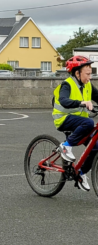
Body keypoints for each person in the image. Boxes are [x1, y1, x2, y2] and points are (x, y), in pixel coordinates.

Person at [52, 55, 98, 191]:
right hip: (64, 119)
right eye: (87, 74)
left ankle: (80, 173)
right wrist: (82, 103)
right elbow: (64, 101)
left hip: (79, 123)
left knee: (95, 147)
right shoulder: (67, 84)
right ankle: (65, 146)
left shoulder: (88, 85)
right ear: (77, 73)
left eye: (91, 74)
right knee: (89, 123)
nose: (89, 77)